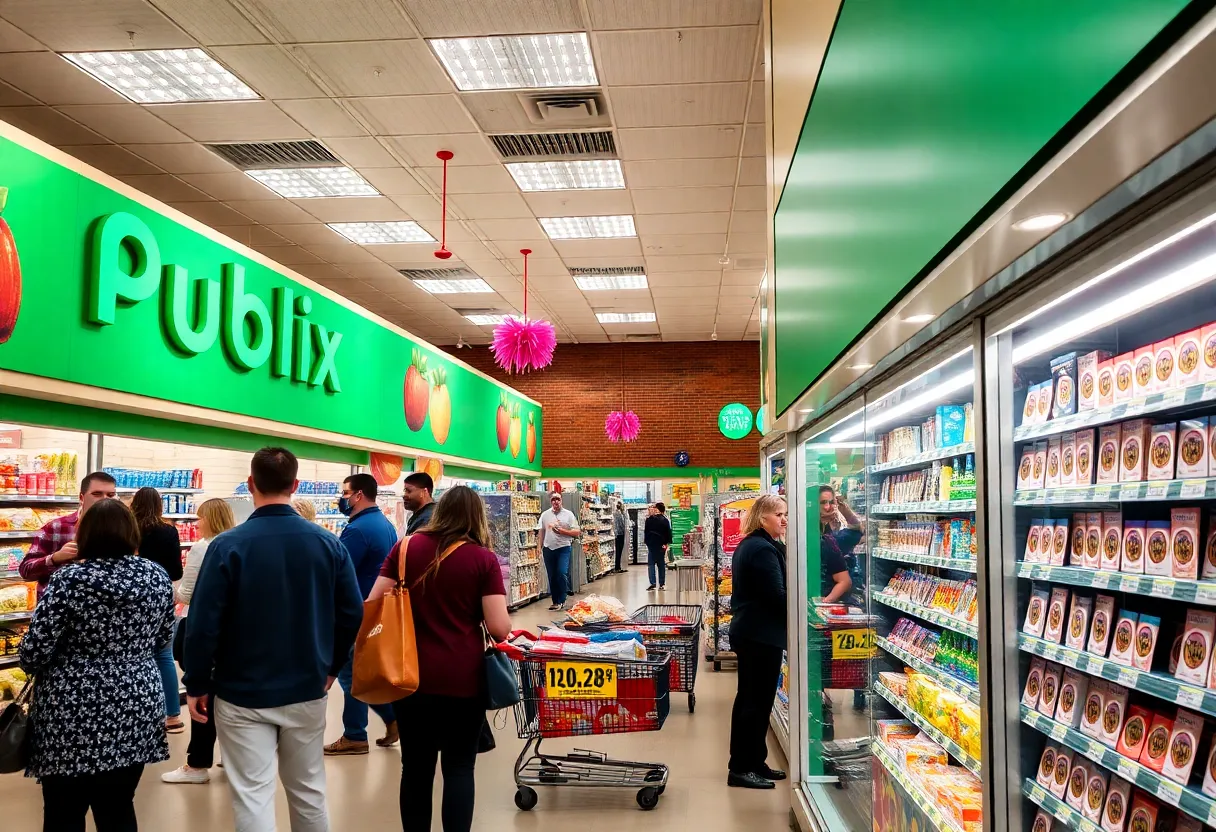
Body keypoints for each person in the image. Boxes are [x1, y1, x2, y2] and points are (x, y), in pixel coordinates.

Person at [183, 447, 363, 832]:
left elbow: (202, 624)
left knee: (252, 794)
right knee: (309, 790)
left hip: (240, 691)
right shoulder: (329, 545)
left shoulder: (226, 546)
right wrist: (331, 667)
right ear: (295, 485)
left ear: (251, 484)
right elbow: (352, 614)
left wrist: (197, 681)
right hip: (307, 686)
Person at [19, 497, 176, 831]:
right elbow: (164, 637)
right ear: (131, 533)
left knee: (64, 811)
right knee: (118, 807)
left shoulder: (69, 579)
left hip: (71, 710)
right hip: (136, 702)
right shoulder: (157, 577)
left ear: (86, 534)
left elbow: (34, 652)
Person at [366, 485, 511, 832]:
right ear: (478, 517)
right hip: (464, 680)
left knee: (415, 768)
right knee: (459, 768)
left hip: (408, 676)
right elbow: (499, 627)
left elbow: (372, 604)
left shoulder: (405, 549)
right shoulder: (483, 559)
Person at [162, 498, 237, 785]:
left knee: (202, 694)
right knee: (226, 697)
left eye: (200, 517)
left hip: (205, 629)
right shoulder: (236, 543)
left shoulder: (203, 547)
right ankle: (230, 758)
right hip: (233, 632)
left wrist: (171, 594)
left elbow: (189, 593)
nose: (197, 523)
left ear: (210, 519)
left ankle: (197, 764)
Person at [325, 473, 401, 756]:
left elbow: (339, 570)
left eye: (345, 493)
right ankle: (392, 717)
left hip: (355, 610)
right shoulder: (384, 524)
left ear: (358, 495)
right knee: (363, 674)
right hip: (376, 609)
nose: (342, 498)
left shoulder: (357, 530)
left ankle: (355, 735)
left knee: (351, 677)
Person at [726, 494, 789, 789]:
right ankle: (739, 768)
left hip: (755, 632)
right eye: (779, 514)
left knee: (759, 701)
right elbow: (777, 596)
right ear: (763, 518)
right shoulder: (762, 549)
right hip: (758, 635)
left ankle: (755, 761)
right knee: (753, 702)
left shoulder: (754, 544)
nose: (784, 519)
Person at [130, 486, 187, 734]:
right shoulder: (168, 531)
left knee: (133, 654)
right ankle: (172, 715)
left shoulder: (128, 529)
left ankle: (137, 713)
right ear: (160, 505)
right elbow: (176, 571)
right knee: (163, 654)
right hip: (160, 596)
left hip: (129, 598)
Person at [19, 470, 117, 599]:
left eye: (110, 495)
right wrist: (54, 558)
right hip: (59, 610)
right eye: (97, 494)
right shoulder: (56, 527)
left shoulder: (121, 530)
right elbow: (26, 570)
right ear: (81, 498)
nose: (105, 500)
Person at [537, 492, 579, 611]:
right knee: (552, 575)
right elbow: (542, 531)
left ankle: (562, 598)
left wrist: (563, 532)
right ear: (551, 501)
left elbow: (576, 532)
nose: (556, 501)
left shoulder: (569, 515)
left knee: (561, 572)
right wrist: (539, 548)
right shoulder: (545, 515)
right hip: (548, 548)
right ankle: (555, 601)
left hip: (563, 548)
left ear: (561, 500)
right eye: (553, 499)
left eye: (558, 499)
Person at [643, 502, 673, 591]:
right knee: (661, 565)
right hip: (661, 546)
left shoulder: (649, 520)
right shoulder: (665, 520)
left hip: (651, 545)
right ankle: (662, 584)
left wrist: (647, 543)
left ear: (657, 509)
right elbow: (668, 533)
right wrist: (666, 544)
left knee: (651, 565)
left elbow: (646, 533)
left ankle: (653, 583)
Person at [612, 501, 628, 573]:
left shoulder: (615, 513)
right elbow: (622, 524)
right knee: (619, 551)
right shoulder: (619, 514)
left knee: (618, 551)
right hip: (620, 534)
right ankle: (618, 567)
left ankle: (617, 566)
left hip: (616, 534)